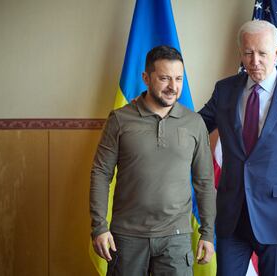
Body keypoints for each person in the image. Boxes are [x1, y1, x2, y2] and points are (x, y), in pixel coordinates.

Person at [199, 20, 277, 276]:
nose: (254, 60)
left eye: (262, 53)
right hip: (232, 217)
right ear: (241, 53)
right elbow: (195, 125)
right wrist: (157, 110)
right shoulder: (224, 90)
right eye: (248, 53)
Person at [90, 45, 216, 276]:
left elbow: (205, 181)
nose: (173, 87)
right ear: (146, 78)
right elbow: (100, 174)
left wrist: (207, 233)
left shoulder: (194, 123)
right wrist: (99, 227)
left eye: (178, 78)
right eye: (164, 78)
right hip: (126, 237)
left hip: (176, 239)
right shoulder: (119, 120)